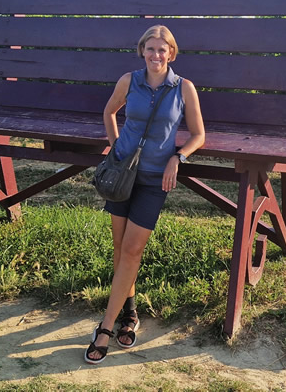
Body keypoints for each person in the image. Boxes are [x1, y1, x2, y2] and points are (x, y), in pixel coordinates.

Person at [84, 25, 205, 364]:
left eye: (161, 50)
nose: (155, 55)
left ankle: (105, 327)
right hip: (122, 175)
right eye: (150, 49)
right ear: (142, 51)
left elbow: (199, 134)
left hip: (154, 179)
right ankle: (131, 313)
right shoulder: (129, 81)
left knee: (133, 250)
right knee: (120, 248)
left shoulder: (184, 89)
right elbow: (109, 112)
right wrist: (114, 146)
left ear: (171, 54)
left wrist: (177, 157)